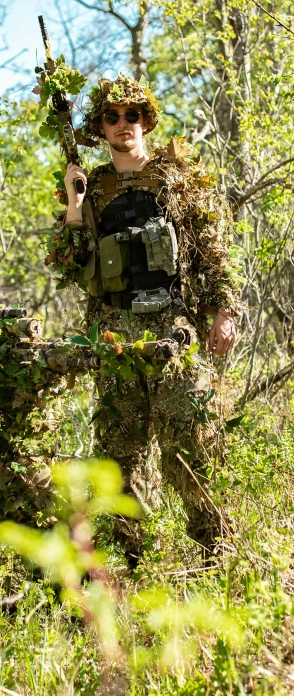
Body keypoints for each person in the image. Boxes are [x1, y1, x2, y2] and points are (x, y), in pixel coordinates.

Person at [45, 74, 242, 565]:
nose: (122, 124)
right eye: (111, 117)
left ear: (146, 120)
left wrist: (223, 314)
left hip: (175, 328)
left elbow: (214, 253)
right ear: (100, 127)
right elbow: (66, 262)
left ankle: (217, 554)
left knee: (190, 446)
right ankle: (128, 566)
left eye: (131, 114)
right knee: (118, 458)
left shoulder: (177, 177)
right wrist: (73, 202)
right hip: (116, 333)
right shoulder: (92, 187)